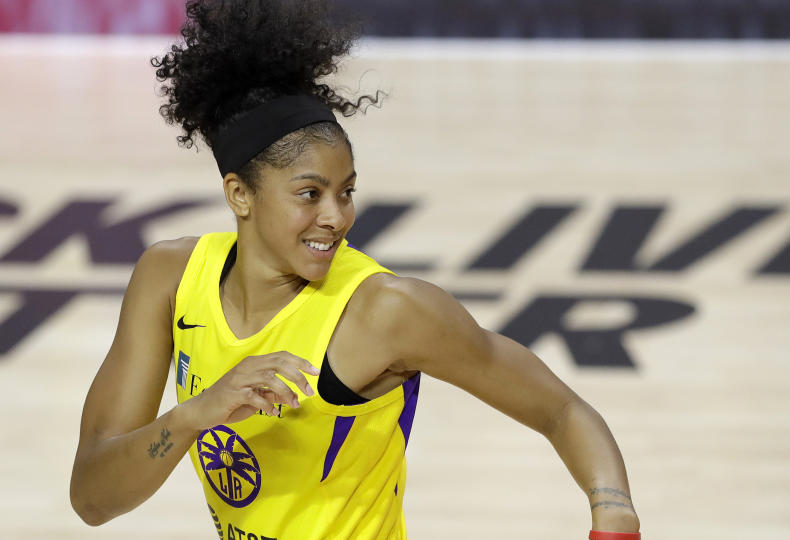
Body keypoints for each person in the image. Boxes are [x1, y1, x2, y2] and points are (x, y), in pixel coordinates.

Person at [69, 1, 642, 539]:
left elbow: (561, 408)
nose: (336, 218)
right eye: (310, 193)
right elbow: (93, 498)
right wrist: (200, 412)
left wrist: (612, 509)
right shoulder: (170, 277)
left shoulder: (387, 310)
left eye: (346, 192)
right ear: (239, 195)